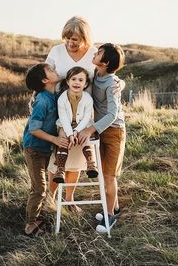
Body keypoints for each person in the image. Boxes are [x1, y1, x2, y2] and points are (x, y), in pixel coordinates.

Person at [45, 16, 98, 210]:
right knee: (58, 156)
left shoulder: (93, 53)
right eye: (67, 38)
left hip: (84, 114)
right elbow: (46, 77)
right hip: (60, 113)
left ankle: (69, 199)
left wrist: (118, 83)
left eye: (74, 39)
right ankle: (49, 198)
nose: (70, 43)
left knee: (76, 160)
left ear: (85, 37)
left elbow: (106, 75)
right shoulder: (56, 51)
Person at [78, 43, 126, 233]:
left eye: (99, 53)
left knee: (109, 176)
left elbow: (113, 114)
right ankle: (113, 207)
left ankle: (110, 217)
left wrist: (91, 129)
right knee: (104, 173)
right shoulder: (96, 74)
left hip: (114, 132)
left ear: (105, 62)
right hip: (100, 130)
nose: (95, 53)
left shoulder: (111, 84)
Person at [22, 63, 68, 236]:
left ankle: (35, 215)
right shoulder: (42, 100)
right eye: (51, 70)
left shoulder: (53, 95)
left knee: (38, 186)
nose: (56, 70)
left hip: (43, 148)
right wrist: (55, 139)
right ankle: (30, 225)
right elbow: (34, 129)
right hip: (34, 148)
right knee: (39, 188)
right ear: (45, 80)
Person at [52, 66, 98, 183]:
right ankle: (60, 169)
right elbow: (63, 118)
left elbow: (87, 117)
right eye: (73, 79)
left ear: (86, 84)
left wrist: (77, 131)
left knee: (85, 136)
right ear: (68, 82)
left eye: (81, 80)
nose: (77, 82)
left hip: (83, 125)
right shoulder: (62, 98)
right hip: (65, 125)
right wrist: (70, 134)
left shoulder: (88, 98)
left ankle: (91, 164)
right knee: (63, 136)